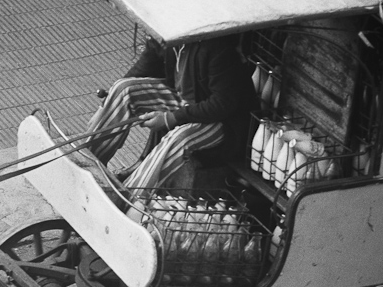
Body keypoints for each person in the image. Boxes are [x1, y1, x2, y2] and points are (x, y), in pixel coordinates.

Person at [86, 34, 259, 198]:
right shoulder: (168, 36)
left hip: (224, 121)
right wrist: (110, 99)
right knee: (123, 90)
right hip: (187, 101)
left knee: (178, 138)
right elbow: (150, 59)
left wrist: (170, 118)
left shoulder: (218, 49)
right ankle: (88, 168)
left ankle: (129, 197)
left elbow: (222, 105)